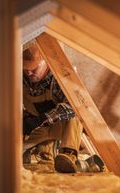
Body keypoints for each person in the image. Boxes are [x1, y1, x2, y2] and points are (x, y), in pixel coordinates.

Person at [22, 44, 83, 173]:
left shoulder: (60, 76)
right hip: (39, 128)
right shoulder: (21, 77)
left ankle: (68, 155)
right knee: (10, 151)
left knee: (76, 114)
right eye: (25, 69)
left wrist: (43, 118)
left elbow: (73, 105)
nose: (29, 72)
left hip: (61, 127)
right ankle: (42, 153)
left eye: (34, 69)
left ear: (46, 62)